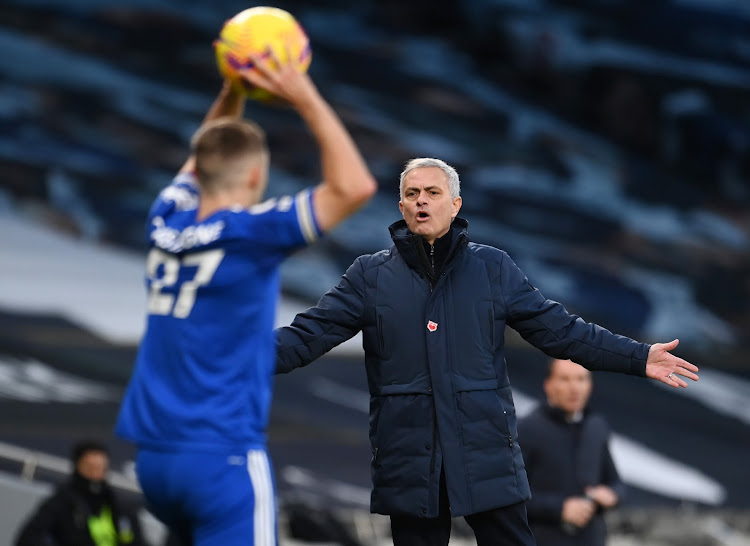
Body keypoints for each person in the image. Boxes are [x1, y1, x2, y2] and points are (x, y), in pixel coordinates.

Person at [274, 157, 699, 546]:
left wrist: (638, 356)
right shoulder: (369, 276)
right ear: (401, 206)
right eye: (411, 194)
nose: (421, 201)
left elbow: (563, 332)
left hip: (485, 454)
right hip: (408, 458)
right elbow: (307, 336)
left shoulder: (493, 269)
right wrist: (230, 360)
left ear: (455, 204)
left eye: (432, 193)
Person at [114, 46, 377, 546]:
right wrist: (304, 95)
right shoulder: (252, 233)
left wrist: (233, 89)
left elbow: (201, 159)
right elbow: (354, 186)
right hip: (221, 457)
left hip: (153, 456)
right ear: (256, 176)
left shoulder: (164, 221)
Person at [519, 358, 623, 545]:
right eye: (565, 379)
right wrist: (560, 508)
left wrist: (610, 495)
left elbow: (616, 483)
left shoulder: (596, 426)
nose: (574, 388)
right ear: (548, 385)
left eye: (581, 379)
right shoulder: (527, 428)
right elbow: (512, 497)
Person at [15, 440, 145, 546]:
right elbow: (29, 537)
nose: (95, 475)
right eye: (90, 468)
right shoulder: (60, 502)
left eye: (100, 469)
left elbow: (137, 541)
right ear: (77, 467)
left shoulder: (119, 505)